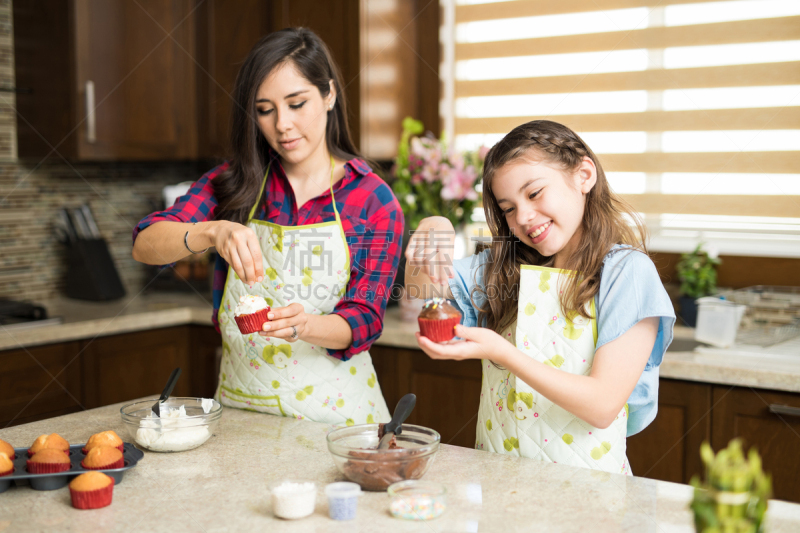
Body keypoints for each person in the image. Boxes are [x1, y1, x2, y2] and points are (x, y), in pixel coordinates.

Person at [132, 28, 403, 425]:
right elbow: (145, 244)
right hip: (242, 415)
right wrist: (212, 231)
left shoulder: (372, 200)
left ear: (328, 95)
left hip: (338, 425)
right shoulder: (234, 184)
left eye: (296, 104)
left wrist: (304, 325)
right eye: (265, 109)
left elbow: (364, 319)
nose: (283, 125)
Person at [405, 120, 674, 474]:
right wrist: (434, 226)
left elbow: (602, 405)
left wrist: (502, 352)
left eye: (534, 194)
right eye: (508, 208)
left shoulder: (627, 273)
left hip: (588, 497)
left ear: (584, 174)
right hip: (501, 488)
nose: (524, 218)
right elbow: (420, 290)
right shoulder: (501, 269)